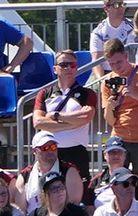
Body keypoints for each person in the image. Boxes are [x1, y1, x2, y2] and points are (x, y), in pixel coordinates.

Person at [33, 49, 98, 194]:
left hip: (76, 151)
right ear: (55, 69)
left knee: (80, 197)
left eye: (72, 65)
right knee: (49, 194)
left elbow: (86, 118)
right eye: (63, 64)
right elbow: (38, 122)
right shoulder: (44, 93)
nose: (68, 68)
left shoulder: (87, 93)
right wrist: (73, 122)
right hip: (50, 152)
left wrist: (56, 116)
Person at [100, 38, 138, 181]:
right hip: (119, 138)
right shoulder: (107, 81)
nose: (116, 67)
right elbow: (110, 120)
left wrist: (135, 95)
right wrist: (110, 106)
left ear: (126, 56)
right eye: (111, 64)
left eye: (119, 62)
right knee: (116, 181)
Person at [13, 130, 84, 213]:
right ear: (34, 151)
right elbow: (22, 210)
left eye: (53, 147)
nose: (50, 151)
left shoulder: (69, 171)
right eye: (45, 148)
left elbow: (74, 205)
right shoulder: (25, 175)